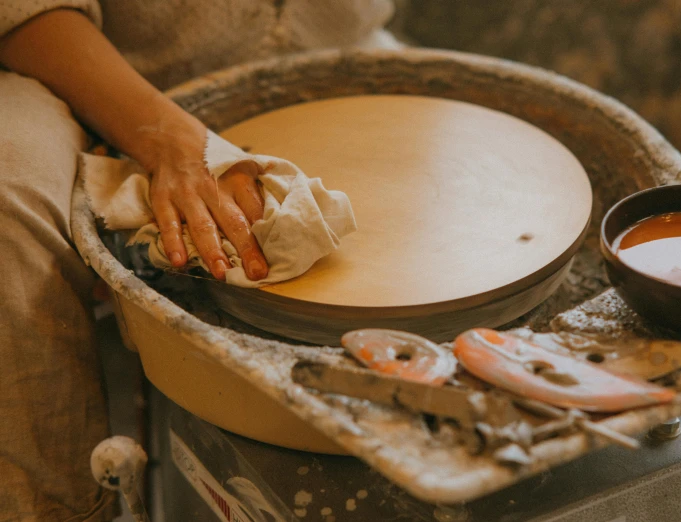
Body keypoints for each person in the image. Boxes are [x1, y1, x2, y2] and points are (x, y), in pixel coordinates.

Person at [0, 1, 396, 520]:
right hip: (77, 61)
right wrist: (167, 139)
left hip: (336, 50)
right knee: (10, 201)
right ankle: (62, 507)